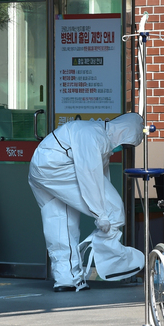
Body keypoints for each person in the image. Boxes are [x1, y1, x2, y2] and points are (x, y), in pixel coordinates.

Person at [28, 113, 144, 292]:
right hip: (57, 167)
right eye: (127, 143)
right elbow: (89, 175)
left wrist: (100, 210)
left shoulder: (95, 134)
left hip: (40, 170)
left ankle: (66, 278)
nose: (124, 147)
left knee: (60, 223)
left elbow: (101, 179)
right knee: (113, 209)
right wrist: (101, 214)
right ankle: (109, 254)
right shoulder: (95, 136)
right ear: (124, 132)